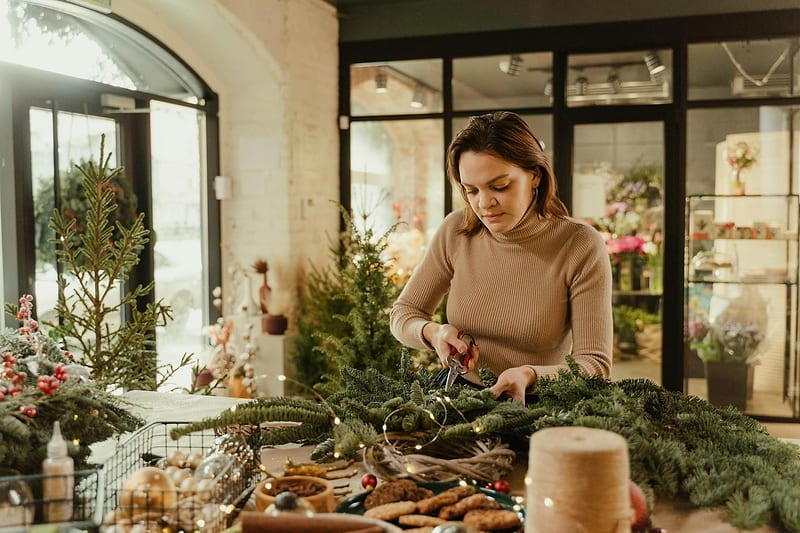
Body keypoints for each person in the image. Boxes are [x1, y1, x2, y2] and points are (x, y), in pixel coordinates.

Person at [389, 111, 613, 405]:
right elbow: (403, 313)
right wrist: (433, 333)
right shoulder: (455, 231)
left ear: (535, 175)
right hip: (459, 402)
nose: (484, 203)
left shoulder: (579, 245)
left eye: (500, 186)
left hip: (539, 405)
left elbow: (594, 365)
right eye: (471, 190)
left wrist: (531, 375)